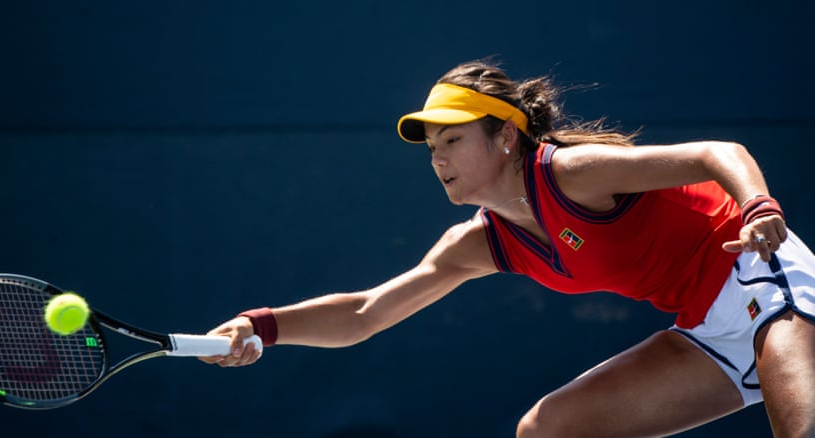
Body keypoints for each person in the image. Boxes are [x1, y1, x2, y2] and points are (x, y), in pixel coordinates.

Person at [200, 60, 815, 437]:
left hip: (760, 274)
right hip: (706, 328)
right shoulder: (479, 243)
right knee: (549, 430)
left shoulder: (572, 172)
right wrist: (263, 327)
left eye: (453, 138)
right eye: (430, 146)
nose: (437, 156)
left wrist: (761, 208)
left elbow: (718, 154)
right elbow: (365, 314)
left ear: (503, 139)